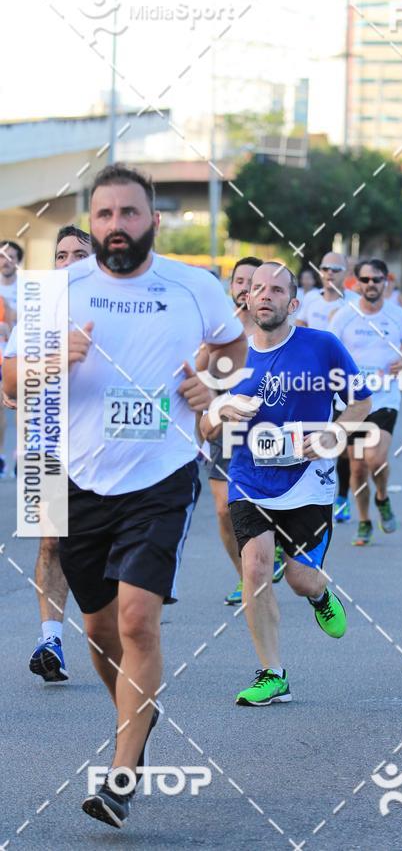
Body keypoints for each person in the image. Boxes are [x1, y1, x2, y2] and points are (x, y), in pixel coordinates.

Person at [25, 164, 245, 828]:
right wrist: (48, 358)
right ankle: (135, 714)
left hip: (160, 473)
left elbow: (234, 350)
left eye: (128, 214)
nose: (115, 226)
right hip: (80, 476)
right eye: (103, 215)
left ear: (152, 220)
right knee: (96, 627)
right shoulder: (55, 291)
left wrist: (211, 381)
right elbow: (10, 374)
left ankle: (121, 771)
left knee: (136, 620)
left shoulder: (193, 285)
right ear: (89, 224)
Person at [201, 262, 371, 706]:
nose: (265, 295)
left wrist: (334, 432)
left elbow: (362, 402)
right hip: (248, 478)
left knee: (299, 578)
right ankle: (272, 674)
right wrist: (220, 412)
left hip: (308, 482)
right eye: (258, 288)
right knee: (255, 568)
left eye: (277, 289)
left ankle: (319, 595)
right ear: (246, 298)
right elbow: (204, 424)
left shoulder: (323, 346)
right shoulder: (228, 356)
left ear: (293, 303)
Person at [4, 226, 93, 682]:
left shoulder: (116, 309)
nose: (70, 261)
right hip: (47, 441)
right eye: (62, 254)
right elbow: (10, 376)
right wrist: (13, 385)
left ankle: (120, 637)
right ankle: (50, 639)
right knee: (51, 541)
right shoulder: (36, 311)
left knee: (101, 552)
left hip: (103, 450)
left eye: (80, 253)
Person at [202, 256, 285, 606]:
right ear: (233, 287)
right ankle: (245, 577)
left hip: (271, 426)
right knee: (224, 509)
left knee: (272, 501)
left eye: (255, 283)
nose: (247, 288)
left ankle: (275, 548)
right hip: (228, 426)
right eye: (240, 281)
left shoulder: (277, 327)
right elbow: (198, 372)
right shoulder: (218, 326)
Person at [330, 259, 402, 546]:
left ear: (385, 282)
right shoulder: (344, 316)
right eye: (365, 280)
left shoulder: (399, 317)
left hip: (384, 397)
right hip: (353, 402)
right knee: (356, 468)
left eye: (376, 280)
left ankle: (382, 497)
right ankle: (365, 520)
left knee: (376, 459)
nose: (371, 285)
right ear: (356, 283)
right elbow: (331, 352)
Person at [296, 251, 360, 524]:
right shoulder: (310, 301)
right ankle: (303, 498)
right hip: (312, 382)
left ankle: (342, 497)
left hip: (342, 380)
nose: (329, 273)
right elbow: (297, 333)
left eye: (335, 268)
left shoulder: (355, 303)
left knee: (341, 445)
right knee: (308, 440)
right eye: (324, 268)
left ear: (346, 272)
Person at [0, 241, 21, 477]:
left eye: (11, 256)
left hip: (18, 359)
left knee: (20, 414)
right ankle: (1, 458)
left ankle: (20, 456)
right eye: (3, 257)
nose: (6, 261)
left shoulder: (28, 288)